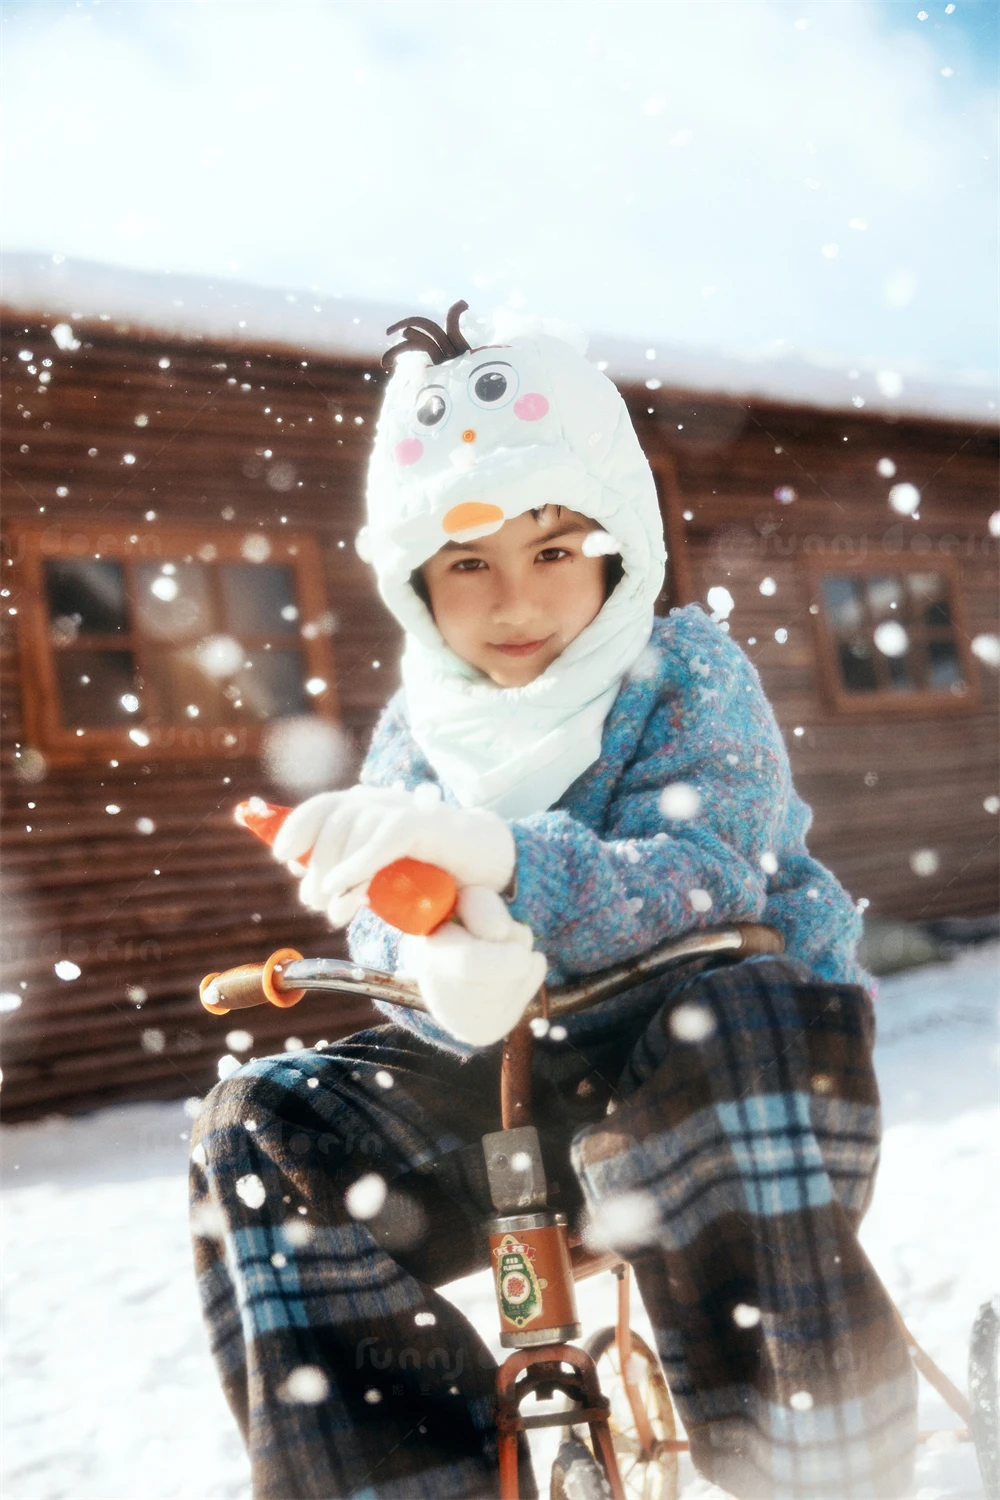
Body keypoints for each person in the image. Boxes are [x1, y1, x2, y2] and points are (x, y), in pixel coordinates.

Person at [190, 304, 917, 1499]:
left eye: (552, 549)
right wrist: (430, 959)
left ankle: (816, 1461)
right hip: (508, 1103)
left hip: (710, 1090)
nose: (513, 600)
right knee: (256, 1119)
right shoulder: (414, 733)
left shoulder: (683, 671)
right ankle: (397, 1476)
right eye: (467, 562)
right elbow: (384, 913)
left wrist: (507, 865)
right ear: (415, 581)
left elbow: (705, 876)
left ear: (615, 544)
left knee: (740, 1006)